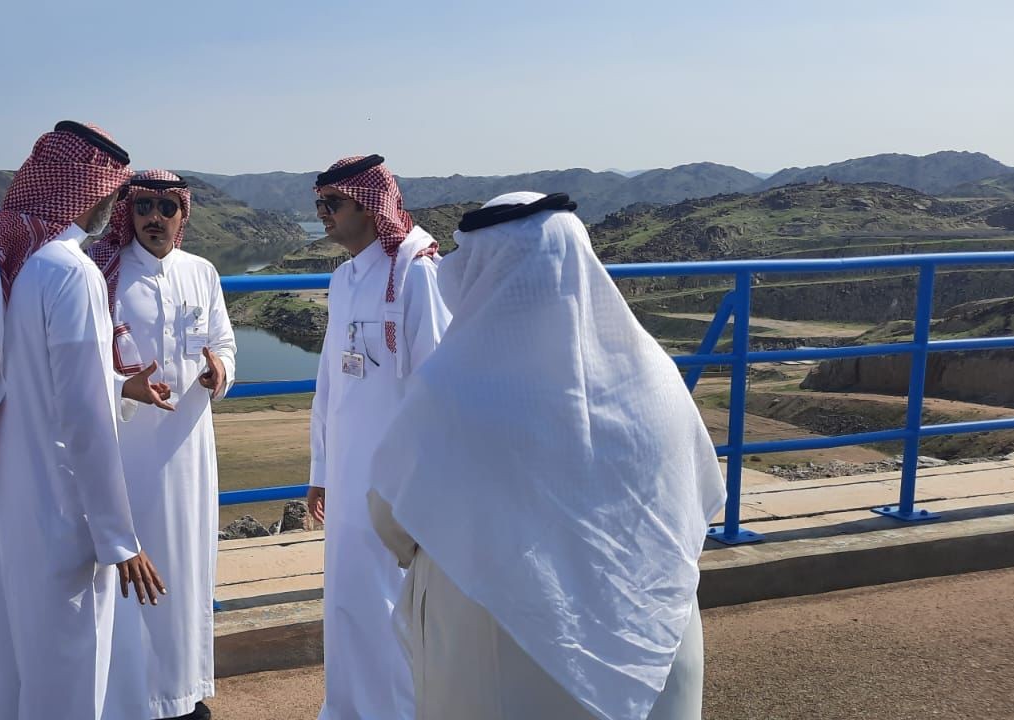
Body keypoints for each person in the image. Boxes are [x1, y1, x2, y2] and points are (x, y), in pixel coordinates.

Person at [366, 192, 726, 719]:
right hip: (652, 636)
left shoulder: (451, 390)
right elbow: (696, 490)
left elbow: (393, 513)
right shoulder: (656, 376)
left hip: (498, 646)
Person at [0, 121, 170, 718]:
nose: (115, 203)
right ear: (90, 188)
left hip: (8, 500)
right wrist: (118, 538)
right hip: (59, 509)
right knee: (71, 666)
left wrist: (120, 384)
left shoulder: (12, 262)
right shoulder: (69, 271)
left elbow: (29, 378)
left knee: (19, 661)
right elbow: (83, 416)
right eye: (116, 190)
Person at [307, 154, 451, 719]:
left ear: (369, 206)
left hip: (395, 484)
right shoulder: (343, 279)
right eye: (319, 204)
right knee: (347, 601)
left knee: (391, 609)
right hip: (346, 480)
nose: (324, 213)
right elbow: (329, 383)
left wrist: (422, 487)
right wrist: (320, 470)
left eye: (333, 203)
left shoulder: (416, 272)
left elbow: (436, 387)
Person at [89, 170, 237, 720]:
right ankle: (131, 698)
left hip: (190, 451)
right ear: (127, 211)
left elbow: (224, 343)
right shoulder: (101, 274)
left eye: (166, 207)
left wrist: (219, 371)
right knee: (130, 571)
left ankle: (181, 691)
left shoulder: (202, 272)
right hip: (128, 453)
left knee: (188, 569)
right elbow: (79, 368)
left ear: (182, 214)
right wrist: (124, 388)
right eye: (144, 206)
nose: (155, 217)